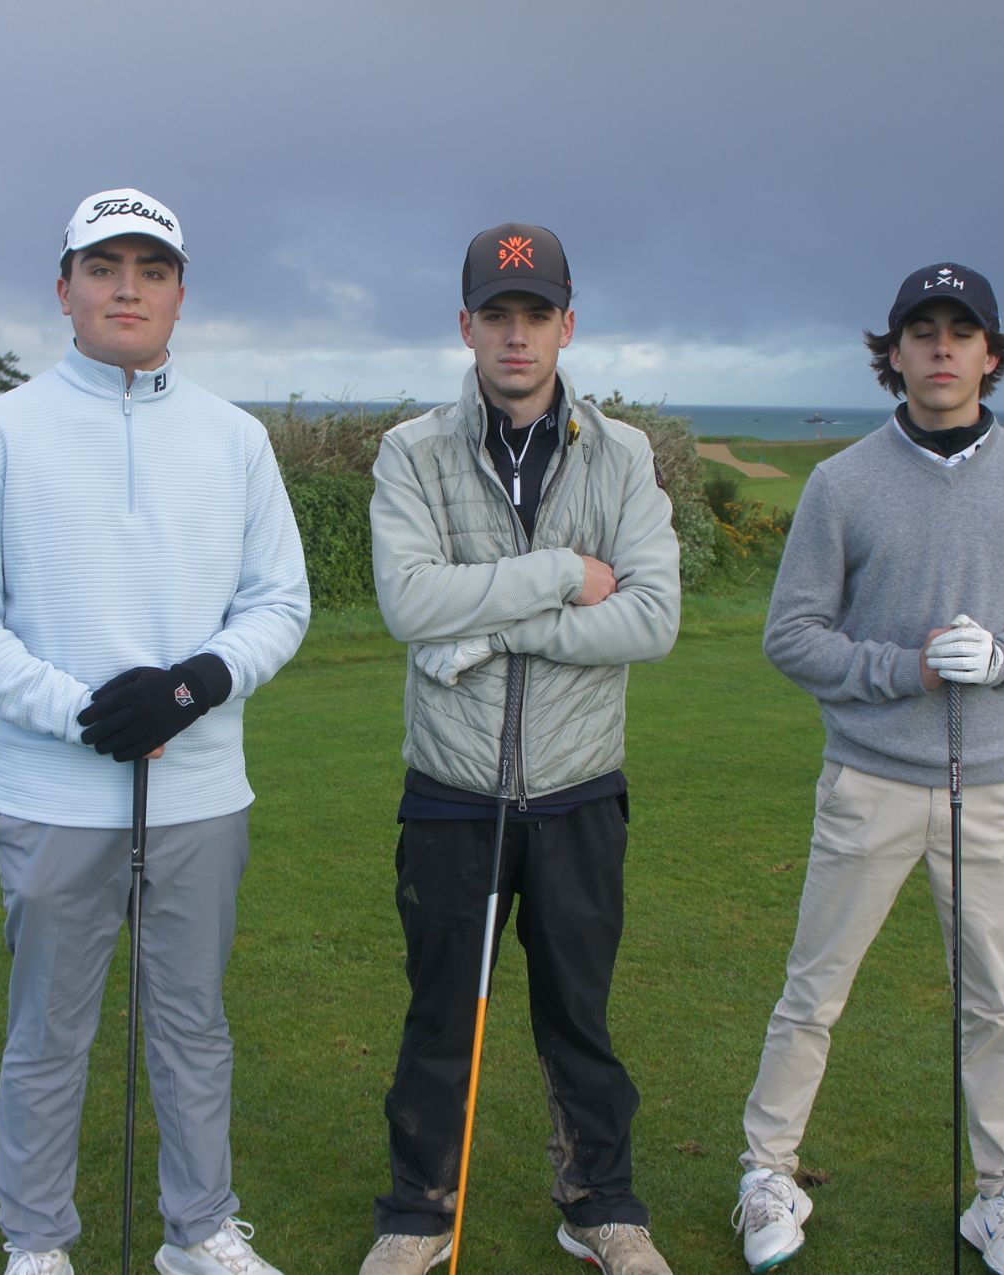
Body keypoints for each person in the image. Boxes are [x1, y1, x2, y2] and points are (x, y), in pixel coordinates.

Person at [0, 187, 309, 1275]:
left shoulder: (236, 438)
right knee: (50, 1032)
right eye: (103, 268)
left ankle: (200, 1231)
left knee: (192, 1025)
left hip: (201, 793)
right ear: (65, 290)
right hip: (52, 795)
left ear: (181, 293)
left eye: (151, 269)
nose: (126, 288)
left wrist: (193, 687)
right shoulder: (1, 433)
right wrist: (81, 714)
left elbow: (279, 602)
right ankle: (37, 1243)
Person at [732, 264, 1004, 1275]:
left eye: (961, 332)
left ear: (990, 352)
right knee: (814, 990)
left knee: (994, 1000)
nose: (941, 348)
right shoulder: (842, 482)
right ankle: (767, 1172)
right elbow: (792, 635)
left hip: (992, 786)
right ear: (892, 353)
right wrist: (904, 668)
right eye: (921, 331)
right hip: (871, 780)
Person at [358, 223, 682, 1275]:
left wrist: (496, 630)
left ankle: (600, 1206)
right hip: (453, 789)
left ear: (566, 325)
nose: (516, 334)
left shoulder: (622, 454)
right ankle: (418, 1216)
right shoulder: (413, 450)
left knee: (578, 1017)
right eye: (496, 315)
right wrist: (560, 576)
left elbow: (653, 618)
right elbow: (411, 604)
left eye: (536, 314)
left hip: (578, 788)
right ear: (466, 325)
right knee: (440, 1018)